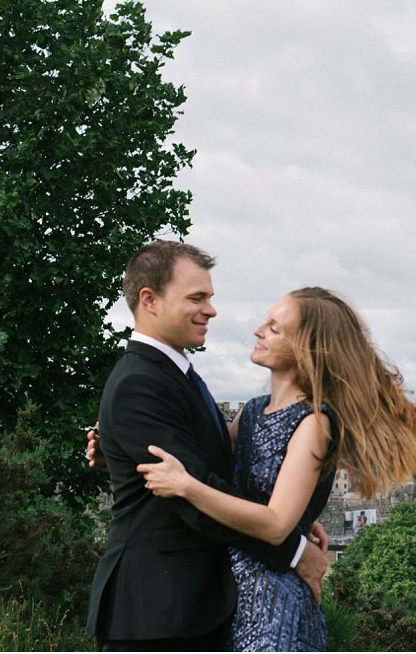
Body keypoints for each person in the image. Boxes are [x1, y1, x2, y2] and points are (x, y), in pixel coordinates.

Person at [138, 286, 416, 651]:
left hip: (274, 606)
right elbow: (208, 466)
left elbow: (274, 525)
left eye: (274, 328)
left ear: (306, 348)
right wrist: (118, 445)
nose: (258, 330)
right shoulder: (254, 411)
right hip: (233, 595)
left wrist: (186, 486)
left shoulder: (313, 422)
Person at [87, 241, 329, 651]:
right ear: (150, 300)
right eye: (197, 298)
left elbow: (215, 468)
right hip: (155, 614)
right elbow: (194, 495)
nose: (211, 310)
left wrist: (295, 513)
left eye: (210, 298)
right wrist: (293, 549)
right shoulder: (139, 384)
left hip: (188, 608)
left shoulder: (172, 374)